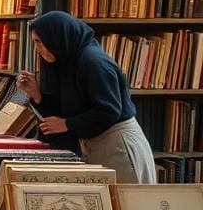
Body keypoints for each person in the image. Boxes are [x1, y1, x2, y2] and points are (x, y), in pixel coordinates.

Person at [16, 10, 156, 184]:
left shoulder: (93, 62)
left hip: (117, 145)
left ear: (57, 37)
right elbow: (65, 112)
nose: (37, 49)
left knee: (129, 205)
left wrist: (67, 124)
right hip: (93, 144)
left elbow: (109, 111)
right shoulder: (66, 61)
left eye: (39, 42)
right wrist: (36, 94)